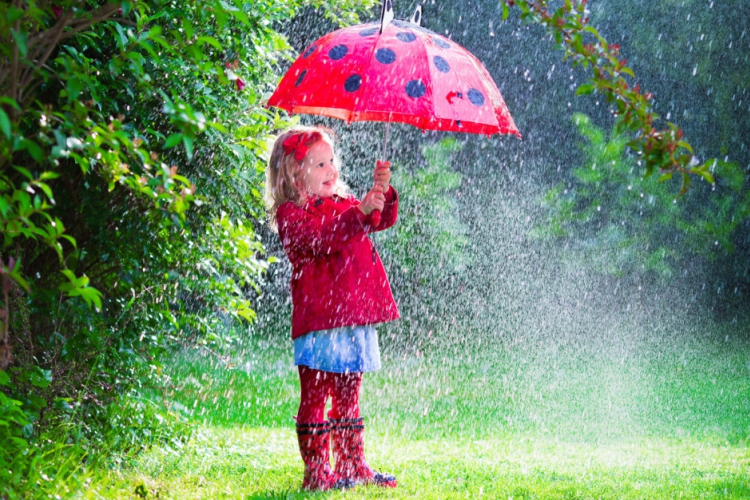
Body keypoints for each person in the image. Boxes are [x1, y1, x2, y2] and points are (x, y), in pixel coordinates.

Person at [265, 126, 400, 491]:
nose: (331, 170)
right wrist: (359, 212)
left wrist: (380, 196)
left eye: (332, 162)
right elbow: (323, 238)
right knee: (316, 395)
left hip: (353, 316)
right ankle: (317, 472)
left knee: (348, 395)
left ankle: (353, 464)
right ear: (296, 173)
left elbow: (376, 221)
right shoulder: (292, 214)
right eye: (320, 164)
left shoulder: (343, 202)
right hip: (320, 320)